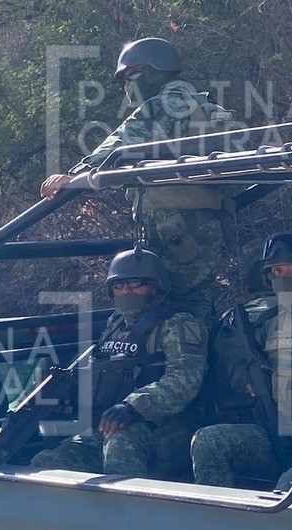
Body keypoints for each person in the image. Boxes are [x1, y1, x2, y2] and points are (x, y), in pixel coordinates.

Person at [41, 37, 234, 319]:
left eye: (129, 76)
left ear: (152, 70)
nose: (126, 86)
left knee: (167, 313)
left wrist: (75, 176)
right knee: (197, 309)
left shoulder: (161, 106)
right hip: (207, 224)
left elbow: (119, 145)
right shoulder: (208, 108)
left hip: (172, 226)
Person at [30, 247, 208, 477]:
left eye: (135, 285)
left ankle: (128, 513)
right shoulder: (116, 322)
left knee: (119, 448)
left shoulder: (176, 323)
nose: (126, 292)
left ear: (155, 287)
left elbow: (186, 379)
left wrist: (131, 406)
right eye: (119, 286)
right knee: (47, 464)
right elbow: (100, 364)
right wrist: (68, 389)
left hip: (166, 425)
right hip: (108, 424)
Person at [191, 232, 292, 486]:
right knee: (207, 442)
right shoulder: (270, 322)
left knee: (291, 488)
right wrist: (242, 375)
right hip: (278, 437)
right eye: (278, 272)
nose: (286, 278)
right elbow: (232, 351)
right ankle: (219, 523)